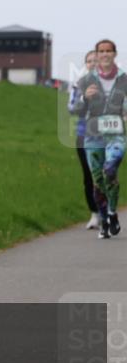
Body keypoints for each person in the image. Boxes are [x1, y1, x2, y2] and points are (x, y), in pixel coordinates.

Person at [71, 39, 126, 239]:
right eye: (101, 51)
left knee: (110, 169)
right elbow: (73, 110)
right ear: (97, 54)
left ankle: (112, 212)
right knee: (98, 181)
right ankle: (104, 219)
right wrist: (84, 98)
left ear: (114, 54)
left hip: (116, 135)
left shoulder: (124, 79)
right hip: (93, 137)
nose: (104, 54)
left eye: (108, 51)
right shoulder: (85, 81)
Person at [68, 50, 100, 229]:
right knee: (88, 176)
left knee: (106, 175)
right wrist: (84, 98)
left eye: (96, 61)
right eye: (89, 61)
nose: (93, 64)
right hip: (84, 135)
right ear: (86, 64)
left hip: (107, 135)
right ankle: (95, 213)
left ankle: (108, 211)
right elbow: (71, 109)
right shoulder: (78, 85)